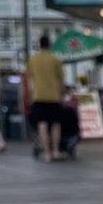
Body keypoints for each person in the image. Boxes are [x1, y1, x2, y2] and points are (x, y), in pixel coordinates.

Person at [27, 34, 65, 162]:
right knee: (55, 124)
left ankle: (46, 153)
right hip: (54, 96)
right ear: (50, 45)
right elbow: (61, 80)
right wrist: (62, 95)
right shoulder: (55, 59)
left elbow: (30, 79)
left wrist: (30, 95)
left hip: (38, 96)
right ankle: (56, 151)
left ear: (39, 45)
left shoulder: (33, 59)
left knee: (42, 125)